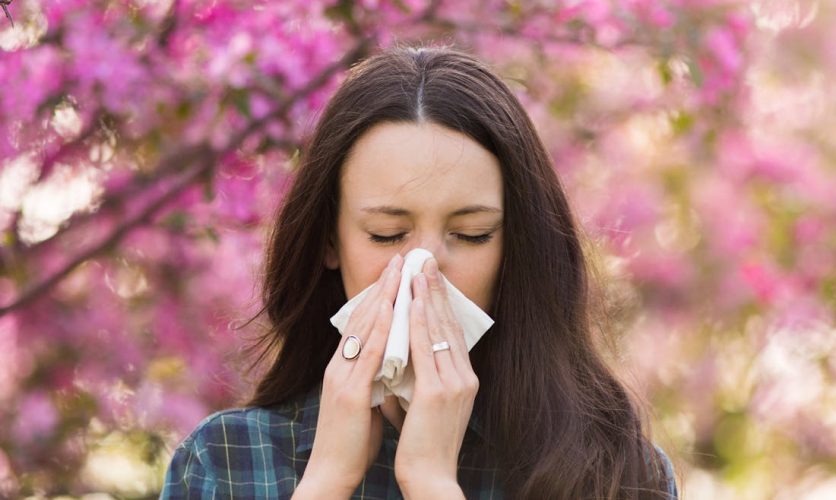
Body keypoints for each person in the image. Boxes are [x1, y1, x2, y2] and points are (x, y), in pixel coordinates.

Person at [161, 46, 678, 499]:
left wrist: (431, 482)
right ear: (328, 240)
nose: (423, 269)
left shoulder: (617, 476)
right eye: (387, 234)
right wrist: (327, 481)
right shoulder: (225, 461)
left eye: (472, 234)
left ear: (514, 245)